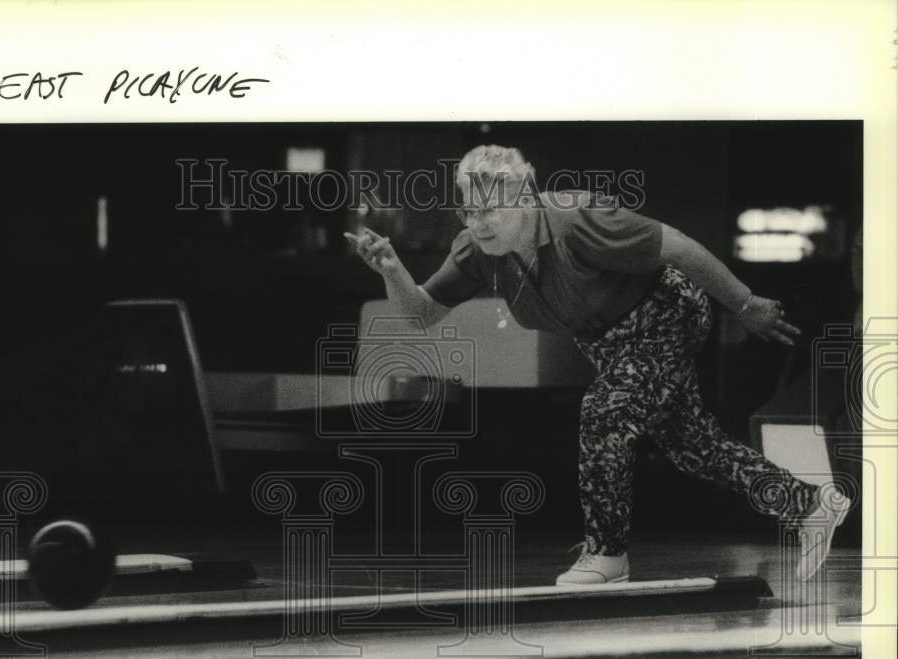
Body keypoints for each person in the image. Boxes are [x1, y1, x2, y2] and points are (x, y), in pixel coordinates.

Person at [344, 144, 852, 585]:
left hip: (666, 313)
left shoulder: (579, 220)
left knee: (606, 412)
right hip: (609, 344)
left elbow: (677, 247)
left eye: (490, 211)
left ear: (524, 198)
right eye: (468, 212)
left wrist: (743, 304)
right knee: (692, 447)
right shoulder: (477, 251)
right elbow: (422, 315)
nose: (478, 223)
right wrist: (392, 271)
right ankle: (809, 504)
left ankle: (607, 552)